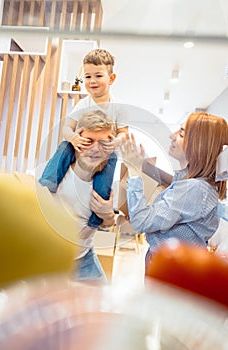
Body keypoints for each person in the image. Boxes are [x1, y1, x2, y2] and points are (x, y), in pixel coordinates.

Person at [120, 112, 228, 268]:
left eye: (182, 134)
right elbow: (171, 183)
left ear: (199, 145)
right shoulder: (194, 184)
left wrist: (134, 172)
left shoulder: (194, 189)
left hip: (173, 267)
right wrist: (139, 163)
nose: (172, 135)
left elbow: (141, 222)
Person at [39, 49, 128, 228]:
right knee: (64, 146)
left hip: (106, 152)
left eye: (98, 75)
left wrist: (115, 142)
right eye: (87, 77)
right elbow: (67, 127)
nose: (92, 81)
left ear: (111, 78)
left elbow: (124, 133)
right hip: (80, 147)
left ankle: (97, 215)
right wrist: (73, 139)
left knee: (111, 164)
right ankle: (48, 184)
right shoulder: (83, 104)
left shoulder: (118, 107)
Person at [38, 110, 118, 283]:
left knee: (101, 301)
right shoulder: (55, 171)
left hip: (83, 257)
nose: (96, 149)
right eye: (89, 141)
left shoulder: (109, 182)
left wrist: (108, 215)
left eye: (103, 143)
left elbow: (110, 224)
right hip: (49, 258)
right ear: (78, 138)